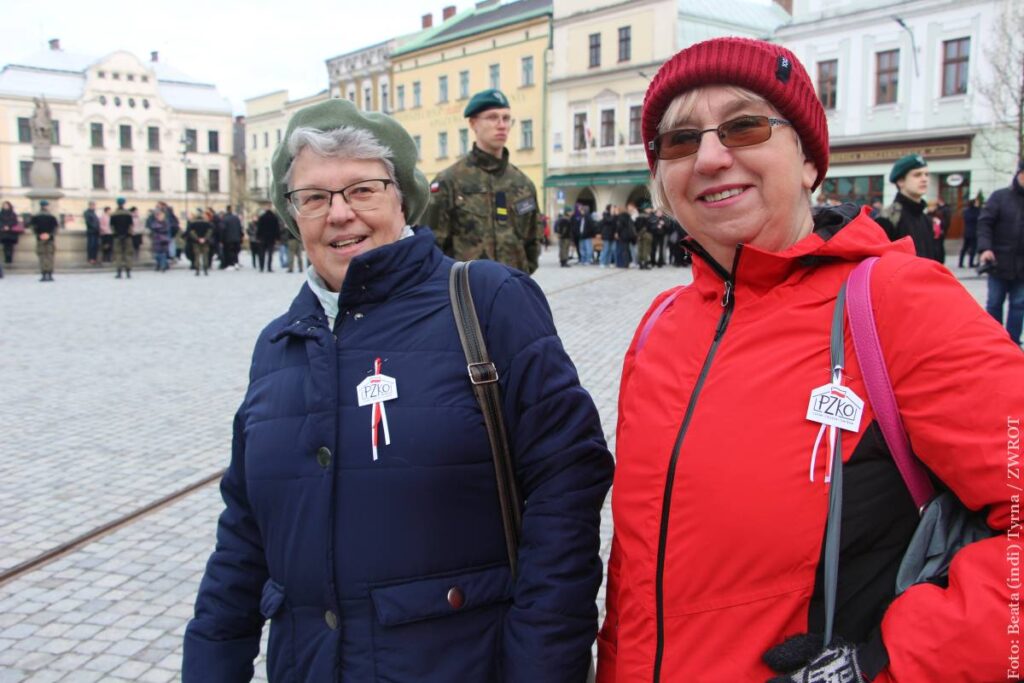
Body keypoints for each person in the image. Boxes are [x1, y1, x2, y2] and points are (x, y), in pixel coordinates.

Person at [598, 36, 1020, 682]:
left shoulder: (893, 302)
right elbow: (634, 572)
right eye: (680, 141)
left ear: (808, 163)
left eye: (744, 125)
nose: (710, 156)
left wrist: (881, 665)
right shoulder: (658, 328)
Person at [183, 98, 612, 682]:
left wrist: (542, 668)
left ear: (402, 197)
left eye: (362, 189)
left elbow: (566, 494)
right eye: (313, 197)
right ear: (293, 216)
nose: (339, 214)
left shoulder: (488, 301)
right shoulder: (279, 345)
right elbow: (244, 533)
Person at [425, 89, 541, 274]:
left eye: (506, 118)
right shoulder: (449, 182)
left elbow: (532, 244)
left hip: (513, 292)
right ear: (473, 123)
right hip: (466, 294)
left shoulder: (523, 185)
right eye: (492, 117)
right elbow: (432, 247)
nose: (501, 125)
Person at [978, 159, 1024, 346]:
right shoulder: (1000, 196)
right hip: (998, 262)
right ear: (1019, 173)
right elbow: (984, 223)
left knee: (1019, 305)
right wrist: (985, 248)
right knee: (994, 303)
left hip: (1022, 267)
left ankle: (1012, 344)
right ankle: (993, 342)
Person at [875, 154, 944, 263]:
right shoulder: (889, 217)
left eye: (926, 174)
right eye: (917, 175)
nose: (924, 179)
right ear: (901, 181)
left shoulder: (926, 219)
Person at [30, 200, 58, 282]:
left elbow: (33, 228)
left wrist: (39, 235)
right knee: (48, 256)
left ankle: (45, 274)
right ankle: (48, 274)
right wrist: (49, 235)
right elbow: (55, 228)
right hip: (48, 238)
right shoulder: (51, 217)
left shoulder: (36, 217)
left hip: (41, 238)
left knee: (44, 256)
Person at [110, 198, 134, 279]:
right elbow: (131, 226)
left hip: (117, 237)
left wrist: (116, 234)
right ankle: (128, 272)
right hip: (127, 236)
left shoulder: (113, 214)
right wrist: (128, 233)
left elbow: (112, 227)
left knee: (118, 254)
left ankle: (119, 272)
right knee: (128, 254)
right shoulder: (128, 214)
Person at [185, 209, 214, 276]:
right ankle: (205, 269)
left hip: (196, 242)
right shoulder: (207, 223)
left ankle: (197, 270)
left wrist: (197, 239)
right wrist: (205, 238)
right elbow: (210, 231)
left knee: (196, 256)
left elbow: (191, 232)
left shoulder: (193, 224)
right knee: (205, 256)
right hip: (205, 242)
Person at [958, 195, 980, 268]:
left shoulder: (966, 211)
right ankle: (970, 263)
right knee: (973, 248)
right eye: (977, 202)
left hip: (967, 232)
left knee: (964, 248)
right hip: (974, 232)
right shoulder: (977, 211)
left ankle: (960, 263)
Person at [220, 205, 243, 270]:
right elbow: (240, 228)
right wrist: (240, 237)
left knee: (228, 252)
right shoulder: (236, 218)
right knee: (235, 252)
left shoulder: (224, 219)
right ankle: (236, 263)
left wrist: (221, 239)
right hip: (236, 238)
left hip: (227, 239)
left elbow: (222, 229)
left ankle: (230, 264)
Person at [0, 201, 20, 266]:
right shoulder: (1, 213)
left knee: (10, 246)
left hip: (11, 232)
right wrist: (3, 226)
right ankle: (6, 258)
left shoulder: (13, 214)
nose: (5, 206)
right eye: (4, 205)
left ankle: (10, 258)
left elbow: (15, 221)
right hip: (3, 232)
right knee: (5, 246)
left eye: (6, 205)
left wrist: (8, 226)